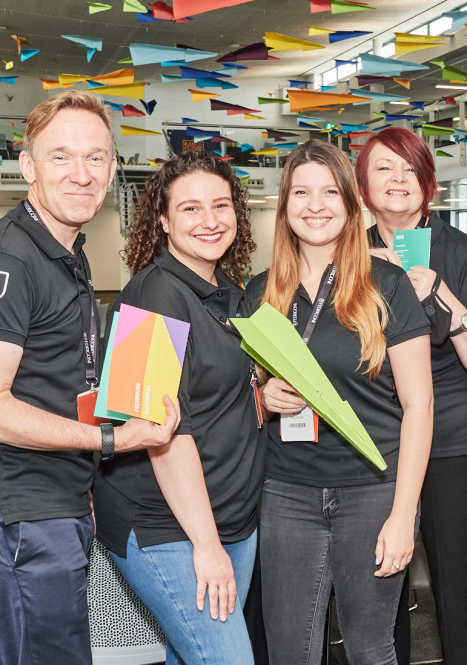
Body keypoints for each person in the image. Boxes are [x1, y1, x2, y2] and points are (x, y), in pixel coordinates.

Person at [0, 90, 179, 665]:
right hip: (14, 515)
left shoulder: (67, 252)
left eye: (96, 157)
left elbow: (56, 381)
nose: (81, 174)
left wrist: (84, 482)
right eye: (61, 156)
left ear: (113, 169)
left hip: (51, 501)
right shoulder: (3, 261)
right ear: (28, 167)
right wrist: (111, 441)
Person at [250, 139, 433, 664]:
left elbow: (420, 407)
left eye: (330, 192)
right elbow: (240, 397)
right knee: (291, 651)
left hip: (372, 493)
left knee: (371, 648)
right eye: (302, 192)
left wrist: (404, 515)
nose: (315, 205)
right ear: (285, 206)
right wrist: (263, 395)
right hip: (286, 492)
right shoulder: (262, 293)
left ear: (352, 205)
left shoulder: (388, 286)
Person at [92, 151, 263, 663]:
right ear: (162, 221)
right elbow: (159, 434)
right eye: (190, 209)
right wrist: (205, 548)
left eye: (220, 205)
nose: (209, 221)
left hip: (231, 515)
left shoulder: (229, 293)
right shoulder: (149, 296)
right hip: (166, 524)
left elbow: (223, 396)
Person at [356, 127, 467, 665]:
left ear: (429, 185)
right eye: (383, 168)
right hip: (373, 441)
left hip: (448, 439)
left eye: (410, 169)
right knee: (380, 584)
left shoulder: (464, 254)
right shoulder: (346, 252)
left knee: (455, 582)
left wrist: (439, 291)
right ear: (362, 186)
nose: (398, 179)